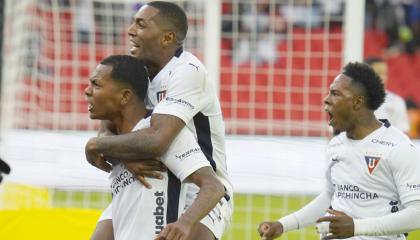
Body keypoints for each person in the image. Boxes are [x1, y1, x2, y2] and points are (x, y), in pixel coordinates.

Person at [85, 1, 233, 240]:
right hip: (149, 181)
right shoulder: (135, 71)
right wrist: (122, 153)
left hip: (198, 189)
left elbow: (157, 141)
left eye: (141, 25)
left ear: (167, 38)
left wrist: (95, 145)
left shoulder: (187, 71)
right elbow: (108, 128)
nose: (130, 30)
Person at [258, 62, 420, 240]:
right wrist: (284, 224)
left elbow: (416, 214)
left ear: (358, 101)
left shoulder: (399, 147)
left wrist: (356, 227)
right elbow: (329, 196)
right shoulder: (336, 144)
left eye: (335, 93)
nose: (326, 99)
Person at [365, 56, 410, 133]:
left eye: (385, 73)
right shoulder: (354, 100)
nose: (383, 77)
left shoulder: (396, 101)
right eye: (378, 73)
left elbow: (404, 131)